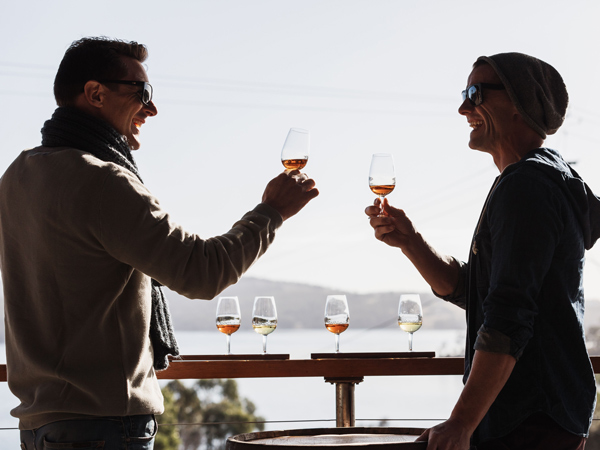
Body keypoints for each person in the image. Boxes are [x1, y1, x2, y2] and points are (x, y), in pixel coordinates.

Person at [0, 37, 318, 449]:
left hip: (40, 425)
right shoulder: (103, 181)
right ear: (95, 93)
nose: (151, 109)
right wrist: (271, 212)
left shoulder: (16, 177)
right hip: (105, 427)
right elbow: (203, 272)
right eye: (141, 93)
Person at [366, 52, 600, 450]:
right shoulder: (538, 178)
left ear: (518, 104)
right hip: (545, 412)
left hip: (529, 416)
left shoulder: (527, 186)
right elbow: (477, 290)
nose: (463, 108)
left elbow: (509, 313)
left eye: (475, 93)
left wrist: (459, 422)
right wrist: (410, 241)